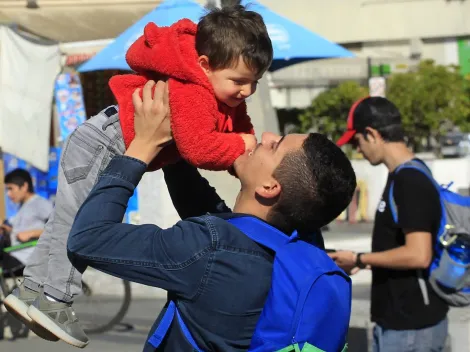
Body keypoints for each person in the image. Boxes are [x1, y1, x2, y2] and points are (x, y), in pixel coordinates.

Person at [4, 5, 271, 348]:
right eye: (239, 81)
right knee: (77, 224)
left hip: (99, 141)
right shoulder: (195, 90)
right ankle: (54, 299)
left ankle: (31, 291)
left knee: (64, 219)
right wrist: (239, 146)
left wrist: (243, 157)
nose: (246, 91)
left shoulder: (221, 90)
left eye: (255, 83)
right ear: (205, 66)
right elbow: (198, 148)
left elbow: (238, 127)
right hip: (103, 145)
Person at [62, 80, 356, 351]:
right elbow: (222, 225)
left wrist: (144, 145)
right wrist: (178, 145)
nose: (265, 136)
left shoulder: (210, 249)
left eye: (274, 146)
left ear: (270, 187)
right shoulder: (297, 243)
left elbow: (89, 238)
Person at [330, 97, 449, 352]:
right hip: (403, 324)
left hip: (411, 328)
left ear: (371, 134)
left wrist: (360, 258)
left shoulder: (409, 181)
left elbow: (418, 255)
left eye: (357, 141)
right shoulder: (405, 175)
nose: (358, 150)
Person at [1, 169, 52, 271]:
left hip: (25, 260)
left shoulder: (40, 203)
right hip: (13, 253)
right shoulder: (22, 206)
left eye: (11, 189)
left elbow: (59, 229)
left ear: (24, 186)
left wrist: (32, 233)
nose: (8, 194)